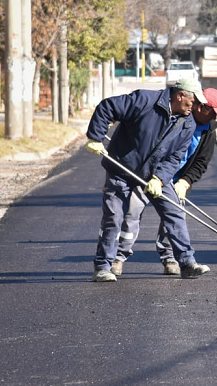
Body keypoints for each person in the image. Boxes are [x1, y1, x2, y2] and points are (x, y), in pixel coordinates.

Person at [85, 78, 209, 282]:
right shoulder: (144, 100)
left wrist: (159, 179)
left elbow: (174, 157)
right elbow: (108, 106)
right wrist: (95, 137)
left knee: (174, 212)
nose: (195, 107)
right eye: (193, 102)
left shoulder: (188, 123)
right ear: (180, 95)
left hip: (153, 175)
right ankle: (102, 267)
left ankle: (187, 263)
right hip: (121, 170)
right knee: (114, 217)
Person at [111, 87, 217, 276]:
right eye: (213, 112)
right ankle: (118, 258)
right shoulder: (177, 119)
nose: (214, 117)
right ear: (201, 107)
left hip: (173, 180)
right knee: (131, 214)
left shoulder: (208, 131)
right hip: (147, 175)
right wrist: (154, 177)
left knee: (174, 218)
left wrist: (184, 182)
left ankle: (174, 260)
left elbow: (201, 162)